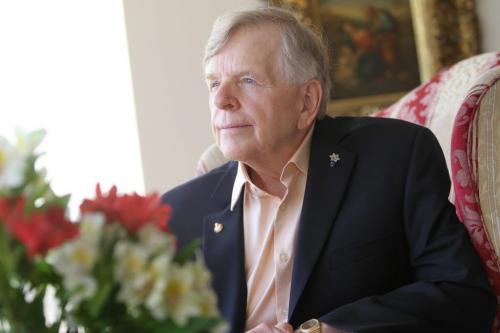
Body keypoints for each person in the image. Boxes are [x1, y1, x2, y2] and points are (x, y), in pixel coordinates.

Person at [161, 7, 496, 333]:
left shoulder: (394, 157)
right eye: (213, 83)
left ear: (307, 101)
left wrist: (326, 330)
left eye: (247, 80)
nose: (222, 100)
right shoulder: (178, 213)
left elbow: (462, 295)